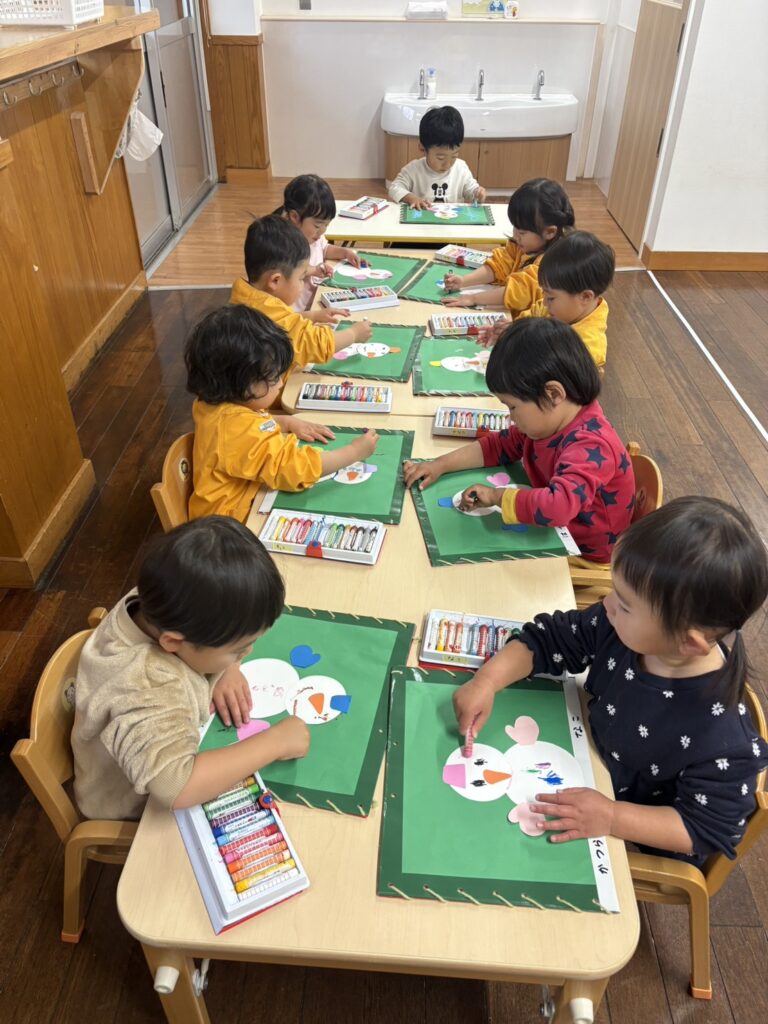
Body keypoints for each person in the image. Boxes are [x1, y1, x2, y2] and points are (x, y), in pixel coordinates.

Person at [453, 496, 768, 865]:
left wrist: (612, 816)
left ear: (688, 643)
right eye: (615, 590)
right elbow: (550, 638)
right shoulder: (624, 628)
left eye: (625, 603)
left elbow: (704, 829)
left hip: (633, 827)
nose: (607, 603)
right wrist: (487, 681)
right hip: (590, 762)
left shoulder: (724, 739)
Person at [72, 516, 311, 820]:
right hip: (134, 811)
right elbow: (177, 787)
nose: (247, 653)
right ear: (173, 642)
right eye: (238, 649)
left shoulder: (164, 598)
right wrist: (276, 743)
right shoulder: (144, 682)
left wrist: (228, 667)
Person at [403, 318, 634, 568]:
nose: (510, 417)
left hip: (581, 552)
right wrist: (440, 465)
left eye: (512, 406)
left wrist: (496, 496)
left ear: (553, 394)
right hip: (552, 531)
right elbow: (498, 446)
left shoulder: (591, 445)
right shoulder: (549, 421)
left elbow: (557, 507)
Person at [185, 305, 378, 523]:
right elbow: (295, 468)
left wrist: (284, 421)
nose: (279, 385)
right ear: (239, 383)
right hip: (231, 526)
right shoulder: (236, 428)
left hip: (239, 503)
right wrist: (353, 453)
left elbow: (247, 427)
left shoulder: (212, 404)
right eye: (273, 378)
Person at [230, 216, 372, 393]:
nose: (303, 284)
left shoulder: (245, 295)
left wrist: (312, 316)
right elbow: (318, 344)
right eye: (301, 278)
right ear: (275, 281)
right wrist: (354, 333)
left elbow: (278, 323)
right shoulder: (270, 312)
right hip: (271, 399)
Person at [479, 231, 616, 370]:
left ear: (585, 297)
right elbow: (529, 321)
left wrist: (519, 342)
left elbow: (545, 370)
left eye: (550, 298)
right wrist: (511, 330)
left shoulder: (586, 349)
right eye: (544, 293)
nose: (544, 302)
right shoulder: (553, 308)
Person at [442, 177, 574, 316]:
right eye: (515, 228)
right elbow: (499, 265)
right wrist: (464, 281)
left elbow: (519, 291)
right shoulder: (521, 245)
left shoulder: (551, 265)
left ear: (549, 232)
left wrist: (473, 298)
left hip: (532, 324)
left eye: (522, 232)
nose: (516, 235)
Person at [274, 173, 362, 316]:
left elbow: (324, 248)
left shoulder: (313, 236)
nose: (322, 231)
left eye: (326, 225)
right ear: (294, 217)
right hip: (295, 315)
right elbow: (289, 271)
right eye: (317, 225)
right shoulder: (282, 243)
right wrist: (314, 270)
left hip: (314, 304)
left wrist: (345, 253)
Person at [388, 105, 487, 208]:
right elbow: (394, 188)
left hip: (452, 217)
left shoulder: (461, 168)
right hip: (423, 217)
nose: (447, 164)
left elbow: (471, 192)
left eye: (454, 156)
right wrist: (412, 198)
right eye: (441, 158)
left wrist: (477, 193)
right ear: (422, 148)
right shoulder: (413, 170)